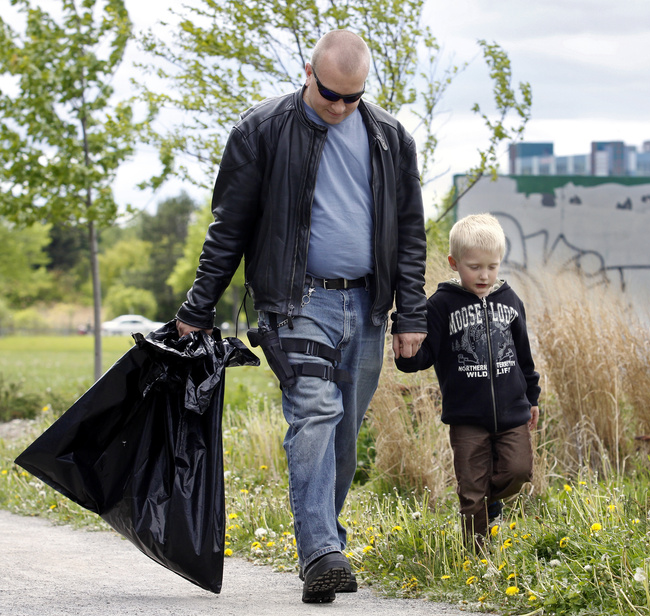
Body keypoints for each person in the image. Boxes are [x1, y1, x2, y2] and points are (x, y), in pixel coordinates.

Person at [174, 30, 427, 603]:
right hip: (295, 300)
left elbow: (410, 231)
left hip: (366, 303)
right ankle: (319, 552)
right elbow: (228, 229)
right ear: (307, 71)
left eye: (353, 98)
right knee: (314, 413)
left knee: (344, 431)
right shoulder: (261, 130)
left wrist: (410, 313)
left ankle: (325, 544)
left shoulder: (390, 138)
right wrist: (198, 308)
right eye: (331, 94)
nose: (340, 108)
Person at [395, 213, 540, 545]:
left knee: (518, 471)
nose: (484, 275)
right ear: (454, 262)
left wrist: (532, 398)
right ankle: (477, 557)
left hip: (512, 412)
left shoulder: (510, 301)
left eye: (492, 266)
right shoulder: (441, 305)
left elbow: (524, 355)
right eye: (474, 267)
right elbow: (422, 355)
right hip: (466, 417)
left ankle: (492, 501)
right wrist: (406, 350)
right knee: (470, 492)